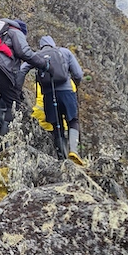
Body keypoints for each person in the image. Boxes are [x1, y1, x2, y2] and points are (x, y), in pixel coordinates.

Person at [0, 18, 50, 134]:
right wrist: (43, 64)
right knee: (13, 105)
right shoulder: (15, 31)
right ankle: (6, 143)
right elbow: (24, 52)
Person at [23, 35, 85, 164]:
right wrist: (76, 83)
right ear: (53, 44)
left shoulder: (36, 55)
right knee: (72, 120)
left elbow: (22, 69)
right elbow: (78, 73)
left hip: (48, 94)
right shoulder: (64, 52)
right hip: (67, 92)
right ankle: (73, 151)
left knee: (57, 125)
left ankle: (62, 158)